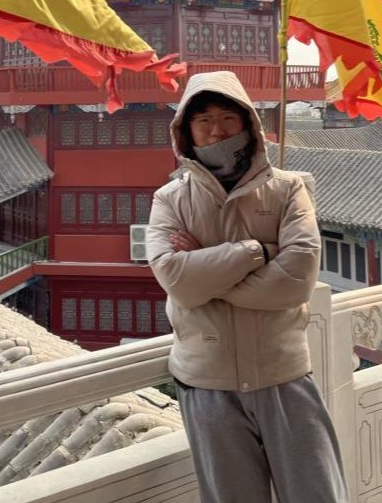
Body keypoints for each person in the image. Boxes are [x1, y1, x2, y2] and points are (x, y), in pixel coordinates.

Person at [146, 71, 349, 503]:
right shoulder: (170, 199)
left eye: (227, 118)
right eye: (203, 120)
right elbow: (176, 279)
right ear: (185, 130)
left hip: (282, 373)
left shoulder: (287, 190)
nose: (216, 131)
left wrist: (208, 272)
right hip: (208, 381)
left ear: (248, 123)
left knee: (316, 493)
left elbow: (296, 279)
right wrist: (259, 250)